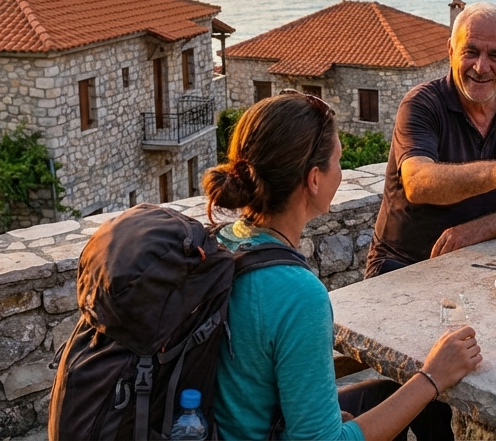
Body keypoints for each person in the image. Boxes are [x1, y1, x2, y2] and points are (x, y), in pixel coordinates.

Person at [205, 92, 481, 441]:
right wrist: (433, 376)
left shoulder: (219, 242)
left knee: (385, 395)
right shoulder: (297, 294)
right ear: (313, 179)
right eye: (337, 161)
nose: (341, 171)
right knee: (419, 396)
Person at [365, 2, 496, 277]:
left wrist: (475, 231)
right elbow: (417, 182)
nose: (481, 67)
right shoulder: (421, 104)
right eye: (471, 52)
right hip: (403, 266)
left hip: (478, 261)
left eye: (495, 55)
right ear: (451, 52)